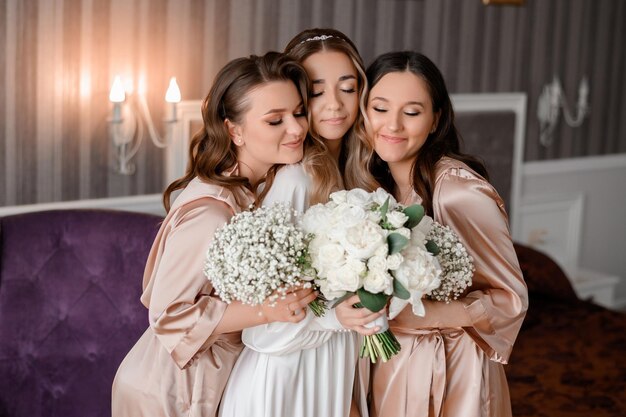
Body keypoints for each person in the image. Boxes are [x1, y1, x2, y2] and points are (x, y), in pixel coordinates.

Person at [111, 51, 318, 417]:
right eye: (275, 121)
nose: (297, 128)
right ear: (234, 130)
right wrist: (269, 309)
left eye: (298, 112)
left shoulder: (259, 189)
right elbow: (168, 316)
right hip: (170, 391)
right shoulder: (211, 213)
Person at [218, 29, 379, 417]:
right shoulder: (293, 180)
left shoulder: (362, 178)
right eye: (317, 91)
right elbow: (263, 327)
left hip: (332, 373)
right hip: (284, 382)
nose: (335, 105)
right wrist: (335, 318)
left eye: (348, 87)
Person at [360, 51, 529, 417]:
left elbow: (510, 299)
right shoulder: (373, 189)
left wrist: (421, 315)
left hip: (453, 369)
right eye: (380, 107)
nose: (392, 125)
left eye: (412, 112)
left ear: (435, 120)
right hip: (393, 362)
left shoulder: (458, 193)